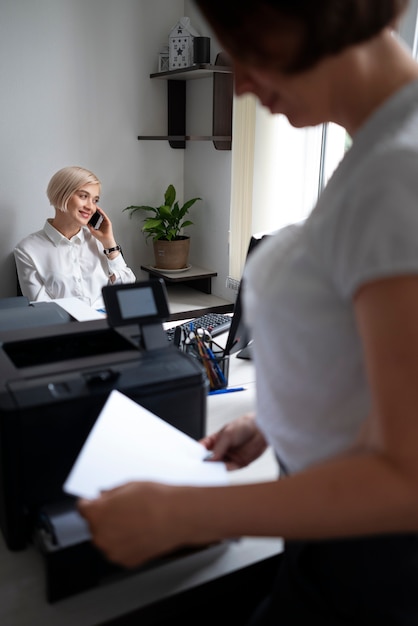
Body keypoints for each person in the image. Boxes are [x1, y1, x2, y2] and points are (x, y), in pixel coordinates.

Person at [78, 1, 418, 623]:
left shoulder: (398, 172)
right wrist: (275, 419)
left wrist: (176, 514)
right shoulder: (379, 152)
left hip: (369, 562)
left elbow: (409, 478)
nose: (239, 82)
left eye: (252, 50)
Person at [14, 166, 136, 309]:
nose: (91, 207)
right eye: (83, 196)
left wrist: (109, 243)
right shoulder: (27, 250)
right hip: (67, 329)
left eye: (95, 200)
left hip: (109, 324)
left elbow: (128, 293)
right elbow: (42, 309)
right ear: (61, 195)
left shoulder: (100, 242)